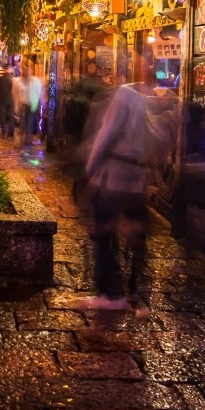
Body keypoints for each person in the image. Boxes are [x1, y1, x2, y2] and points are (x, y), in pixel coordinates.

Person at [74, 78, 160, 316]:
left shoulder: (122, 97)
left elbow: (106, 134)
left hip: (114, 179)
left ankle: (111, 294)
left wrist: (89, 171)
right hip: (136, 179)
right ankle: (137, 294)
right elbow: (157, 140)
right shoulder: (145, 103)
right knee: (136, 236)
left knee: (104, 231)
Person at [21, 63, 46, 143]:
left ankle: (28, 137)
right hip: (32, 102)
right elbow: (40, 92)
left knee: (28, 119)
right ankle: (29, 137)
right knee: (30, 119)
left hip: (28, 102)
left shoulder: (25, 81)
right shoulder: (35, 80)